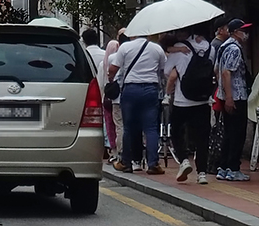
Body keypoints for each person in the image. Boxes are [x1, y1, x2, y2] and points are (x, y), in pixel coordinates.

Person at [108, 33, 165, 175]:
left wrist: (111, 80)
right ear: (148, 35)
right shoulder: (156, 49)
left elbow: (113, 69)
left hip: (130, 89)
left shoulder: (125, 47)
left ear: (133, 34)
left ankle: (126, 162)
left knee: (128, 127)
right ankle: (153, 164)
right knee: (151, 128)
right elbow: (162, 70)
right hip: (151, 89)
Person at [164, 28, 212, 184]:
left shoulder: (179, 49)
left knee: (176, 131)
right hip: (204, 99)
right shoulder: (208, 46)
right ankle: (202, 173)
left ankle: (184, 160)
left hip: (182, 100)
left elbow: (167, 72)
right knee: (202, 137)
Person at [215, 18, 252, 181]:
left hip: (225, 96)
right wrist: (230, 97)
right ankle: (233, 169)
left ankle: (224, 167)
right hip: (236, 96)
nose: (246, 34)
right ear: (236, 32)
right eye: (244, 30)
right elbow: (226, 72)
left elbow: (217, 70)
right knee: (237, 133)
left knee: (228, 133)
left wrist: (223, 92)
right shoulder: (235, 49)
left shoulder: (223, 47)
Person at [98, 40, 119, 163]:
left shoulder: (103, 64)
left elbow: (100, 83)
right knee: (119, 125)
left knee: (110, 125)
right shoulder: (120, 61)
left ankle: (113, 150)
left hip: (106, 98)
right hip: (118, 97)